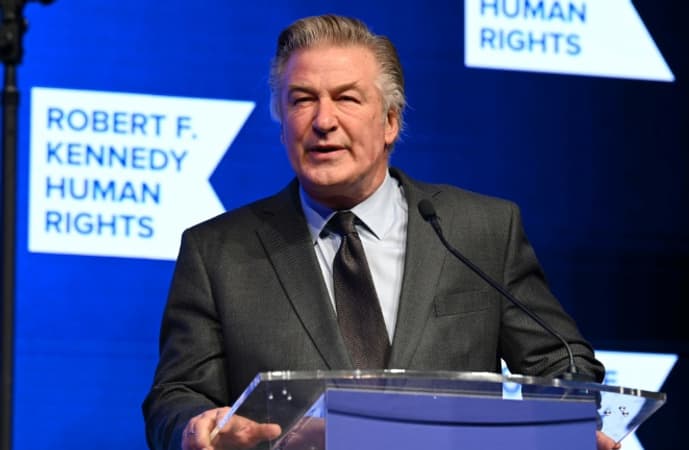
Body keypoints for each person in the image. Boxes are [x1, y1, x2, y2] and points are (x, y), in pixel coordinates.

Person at [143, 14, 617, 450]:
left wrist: (564, 423)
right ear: (282, 123)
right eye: (302, 100)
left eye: (346, 98)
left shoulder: (480, 231)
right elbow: (176, 395)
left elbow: (562, 361)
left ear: (390, 121)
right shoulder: (218, 252)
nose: (323, 121)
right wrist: (194, 427)